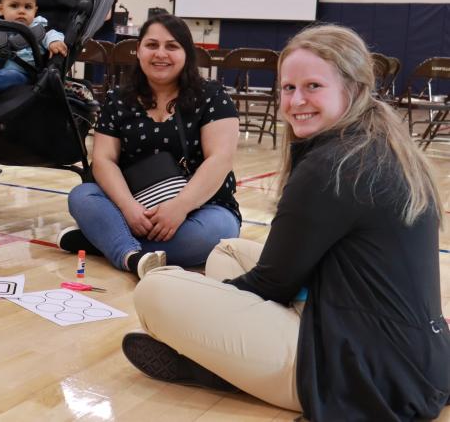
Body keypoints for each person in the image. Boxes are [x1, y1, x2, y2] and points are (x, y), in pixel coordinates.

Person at [126, 25, 450, 420]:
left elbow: (272, 283)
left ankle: (219, 366)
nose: (296, 101)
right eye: (287, 88)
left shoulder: (334, 166)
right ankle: (231, 362)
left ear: (353, 88)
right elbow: (287, 272)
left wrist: (216, 305)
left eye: (313, 86)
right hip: (416, 359)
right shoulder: (372, 142)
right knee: (227, 251)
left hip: (367, 377)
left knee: (155, 289)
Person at [58, 13, 241, 277]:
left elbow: (220, 159)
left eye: (172, 46)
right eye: (152, 45)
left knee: (215, 233)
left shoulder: (212, 96)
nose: (160, 54)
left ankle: (108, 242)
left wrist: (180, 206)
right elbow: (104, 159)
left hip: (203, 206)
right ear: (139, 50)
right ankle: (127, 249)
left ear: (187, 53)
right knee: (82, 196)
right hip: (135, 206)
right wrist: (128, 208)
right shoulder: (119, 99)